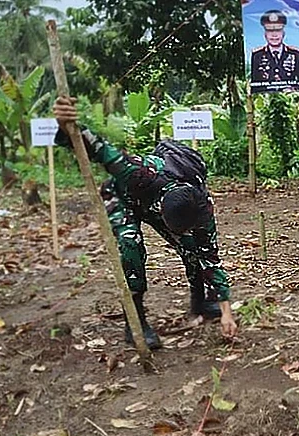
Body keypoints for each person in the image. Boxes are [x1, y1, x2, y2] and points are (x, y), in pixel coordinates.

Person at [52, 96, 238, 350]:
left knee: (192, 248)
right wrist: (67, 124)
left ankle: (202, 302)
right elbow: (100, 148)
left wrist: (226, 311)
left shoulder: (202, 208)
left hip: (165, 206)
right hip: (123, 197)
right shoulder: (137, 172)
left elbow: (211, 257)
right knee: (131, 248)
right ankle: (135, 322)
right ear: (162, 210)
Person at [250, 10, 299, 93]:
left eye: (278, 30)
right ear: (265, 34)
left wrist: (293, 90)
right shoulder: (257, 55)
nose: (274, 35)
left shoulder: (295, 54)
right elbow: (254, 85)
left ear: (283, 33)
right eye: (270, 30)